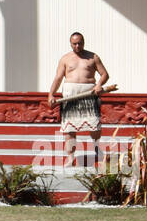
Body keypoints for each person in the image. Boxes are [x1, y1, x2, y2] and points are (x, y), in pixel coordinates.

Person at [47, 31, 110, 167]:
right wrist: (51, 94)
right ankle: (70, 157)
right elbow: (58, 78)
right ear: (70, 44)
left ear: (84, 42)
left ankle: (97, 149)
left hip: (89, 94)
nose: (77, 46)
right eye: (74, 44)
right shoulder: (65, 59)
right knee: (69, 128)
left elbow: (105, 74)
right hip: (70, 95)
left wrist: (99, 85)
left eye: (80, 43)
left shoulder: (93, 57)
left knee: (94, 124)